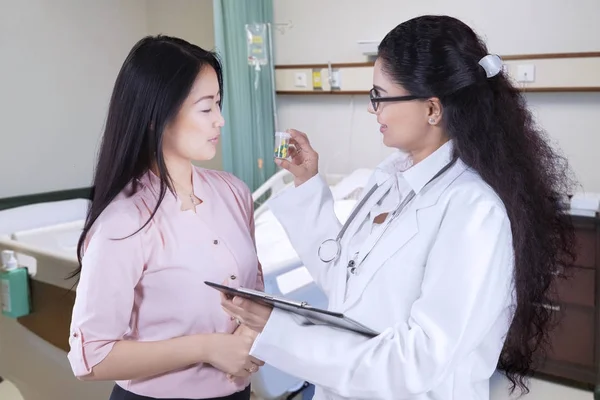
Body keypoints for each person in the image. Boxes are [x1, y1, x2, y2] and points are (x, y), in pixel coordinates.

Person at [220, 15, 576, 400]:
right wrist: (307, 183)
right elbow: (346, 283)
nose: (374, 110)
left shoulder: (473, 212)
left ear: (432, 110)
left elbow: (416, 362)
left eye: (380, 96)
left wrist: (282, 333)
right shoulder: (388, 177)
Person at [67, 35, 264, 400]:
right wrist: (207, 348)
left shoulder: (234, 193)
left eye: (218, 104)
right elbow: (90, 358)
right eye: (206, 109)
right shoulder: (124, 222)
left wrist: (249, 336)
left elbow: (256, 294)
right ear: (157, 116)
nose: (220, 121)